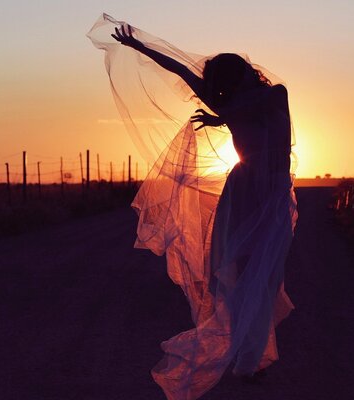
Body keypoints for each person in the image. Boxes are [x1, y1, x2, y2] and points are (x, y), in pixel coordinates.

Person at [91, 17, 297, 400]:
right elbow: (181, 70)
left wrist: (223, 114)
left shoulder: (273, 94)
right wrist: (140, 47)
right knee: (235, 273)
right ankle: (244, 358)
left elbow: (263, 117)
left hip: (270, 193)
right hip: (243, 190)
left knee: (262, 279)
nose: (217, 90)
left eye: (223, 82)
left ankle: (247, 358)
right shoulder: (232, 101)